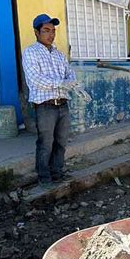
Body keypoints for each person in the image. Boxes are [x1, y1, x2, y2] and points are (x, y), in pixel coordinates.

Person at [22, 14, 90, 189]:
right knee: (45, 143)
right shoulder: (30, 53)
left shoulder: (59, 55)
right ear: (36, 32)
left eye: (53, 31)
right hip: (45, 106)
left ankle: (57, 173)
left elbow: (69, 73)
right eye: (46, 30)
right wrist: (62, 83)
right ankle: (44, 178)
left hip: (62, 105)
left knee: (61, 141)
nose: (51, 34)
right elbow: (35, 79)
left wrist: (74, 85)